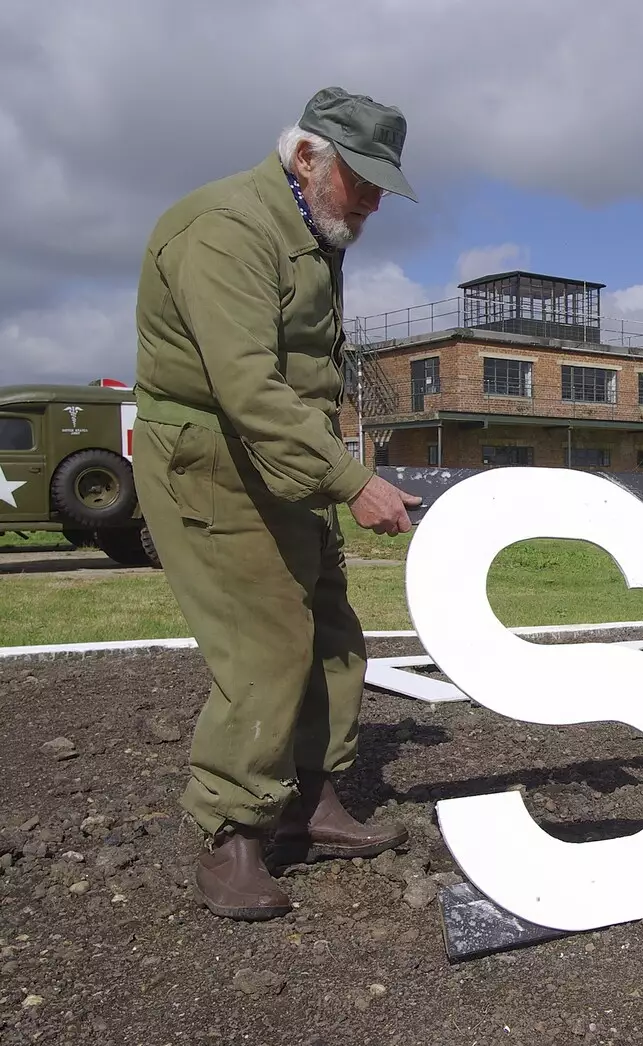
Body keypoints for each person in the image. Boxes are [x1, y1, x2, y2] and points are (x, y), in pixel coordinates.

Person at [132, 87, 424, 920]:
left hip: (279, 454)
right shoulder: (226, 228)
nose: (371, 202)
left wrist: (333, 467)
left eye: (380, 186)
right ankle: (233, 836)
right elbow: (248, 388)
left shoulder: (313, 227)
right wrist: (351, 481)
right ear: (306, 156)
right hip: (211, 456)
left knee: (330, 630)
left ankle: (310, 801)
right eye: (359, 180)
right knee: (265, 640)